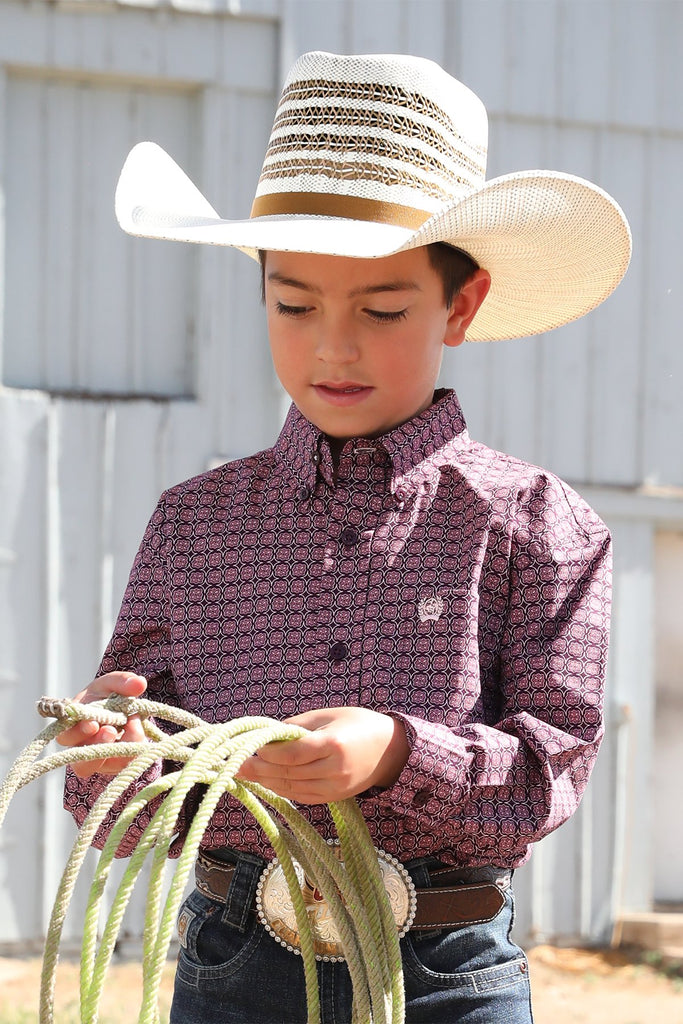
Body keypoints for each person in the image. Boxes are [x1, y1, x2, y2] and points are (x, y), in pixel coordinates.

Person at [59, 50, 631, 1024]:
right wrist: (108, 761)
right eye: (294, 305)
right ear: (262, 293)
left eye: (382, 308)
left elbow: (549, 771)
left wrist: (398, 753)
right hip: (233, 960)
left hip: (442, 971)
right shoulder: (195, 522)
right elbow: (147, 784)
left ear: (460, 304)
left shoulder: (538, 524)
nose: (332, 344)